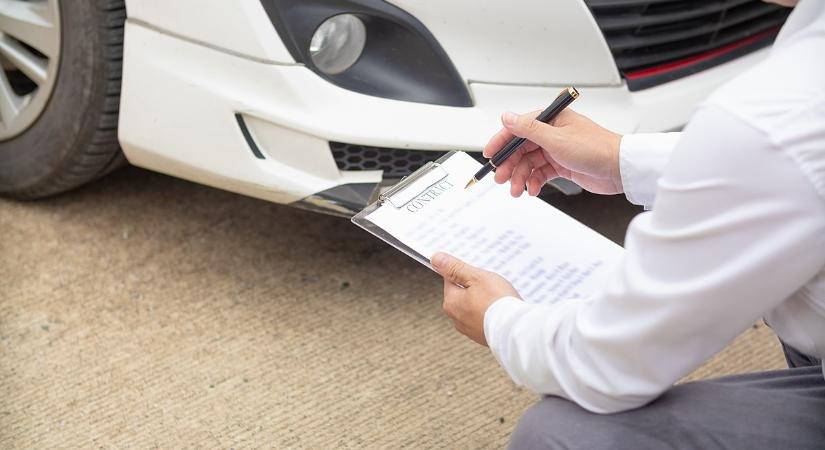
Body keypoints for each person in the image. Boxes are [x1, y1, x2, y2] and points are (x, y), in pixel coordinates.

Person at [430, 1, 825, 448]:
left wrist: (498, 321)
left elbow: (607, 365)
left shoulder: (776, 114)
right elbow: (784, 172)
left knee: (565, 436)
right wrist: (622, 159)